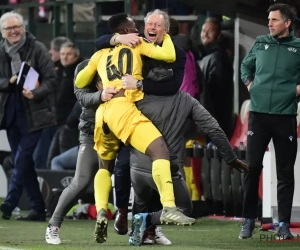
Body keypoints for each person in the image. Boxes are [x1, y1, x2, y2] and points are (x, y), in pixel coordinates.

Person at [75, 13, 195, 243]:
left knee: (105, 165)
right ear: (124, 32)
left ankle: (101, 211)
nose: (138, 32)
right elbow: (168, 54)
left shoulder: (99, 55)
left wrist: (99, 85)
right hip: (124, 109)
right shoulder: (137, 45)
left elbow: (80, 82)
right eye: (133, 28)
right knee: (160, 151)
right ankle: (169, 206)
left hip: (103, 112)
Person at [129, 89, 249, 246]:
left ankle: (140, 232)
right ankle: (148, 221)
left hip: (137, 166)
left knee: (142, 198)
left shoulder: (135, 95)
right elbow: (213, 128)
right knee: (183, 207)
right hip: (166, 168)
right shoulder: (185, 99)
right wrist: (230, 158)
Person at [239, 3, 300, 240]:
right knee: (252, 168)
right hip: (258, 116)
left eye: (274, 20)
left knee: (285, 173)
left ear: (287, 22)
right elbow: (246, 65)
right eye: (269, 20)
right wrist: (249, 83)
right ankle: (247, 220)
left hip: (285, 117)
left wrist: (296, 90)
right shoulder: (261, 41)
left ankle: (283, 224)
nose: (269, 23)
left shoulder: (298, 47)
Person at [45, 59, 118, 245]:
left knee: (138, 175)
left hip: (123, 135)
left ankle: (148, 228)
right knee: (81, 181)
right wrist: (103, 94)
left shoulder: (125, 64)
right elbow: (85, 99)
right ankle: (53, 225)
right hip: (92, 136)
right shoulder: (85, 73)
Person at [0, 11, 56, 221]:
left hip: (36, 112)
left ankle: (10, 201)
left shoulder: (38, 48)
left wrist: (35, 93)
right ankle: (38, 208)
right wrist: (9, 82)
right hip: (11, 113)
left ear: (23, 27)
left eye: (17, 27)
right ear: (3, 32)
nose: (14, 31)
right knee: (23, 162)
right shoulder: (0, 50)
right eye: (9, 28)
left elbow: (52, 79)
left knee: (22, 158)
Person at [198, 17, 234, 138]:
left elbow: (217, 94)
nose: (205, 34)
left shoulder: (218, 57)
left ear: (218, 35)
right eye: (203, 31)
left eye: (210, 31)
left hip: (216, 121)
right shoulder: (207, 56)